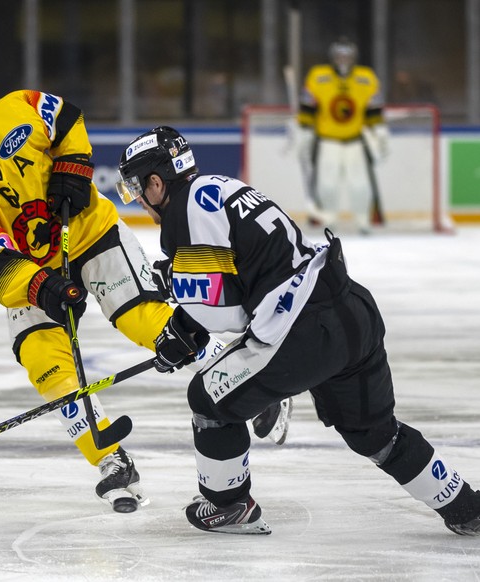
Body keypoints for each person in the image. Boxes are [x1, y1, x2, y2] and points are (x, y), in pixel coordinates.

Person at [0, 91, 290, 512]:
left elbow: (65, 117)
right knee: (45, 362)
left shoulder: (10, 113)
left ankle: (247, 375)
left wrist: (72, 169)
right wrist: (45, 289)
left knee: (143, 319)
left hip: (93, 236)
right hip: (36, 274)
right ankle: (110, 458)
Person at [116, 125, 480, 536]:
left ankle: (228, 505)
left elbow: (227, 316)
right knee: (377, 435)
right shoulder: (221, 187)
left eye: (136, 189)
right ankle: (465, 505)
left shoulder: (182, 212)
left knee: (207, 399)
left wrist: (184, 326)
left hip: (302, 331)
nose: (139, 201)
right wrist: (186, 325)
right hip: (350, 308)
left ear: (155, 182)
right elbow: (238, 283)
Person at [297, 37, 389, 234]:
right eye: (340, 55)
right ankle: (329, 218)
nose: (343, 60)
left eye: (347, 56)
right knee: (327, 184)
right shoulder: (318, 76)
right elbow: (307, 107)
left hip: (355, 141)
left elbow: (373, 110)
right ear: (333, 56)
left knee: (360, 185)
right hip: (327, 141)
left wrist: (379, 130)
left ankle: (363, 220)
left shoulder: (366, 77)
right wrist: (304, 130)